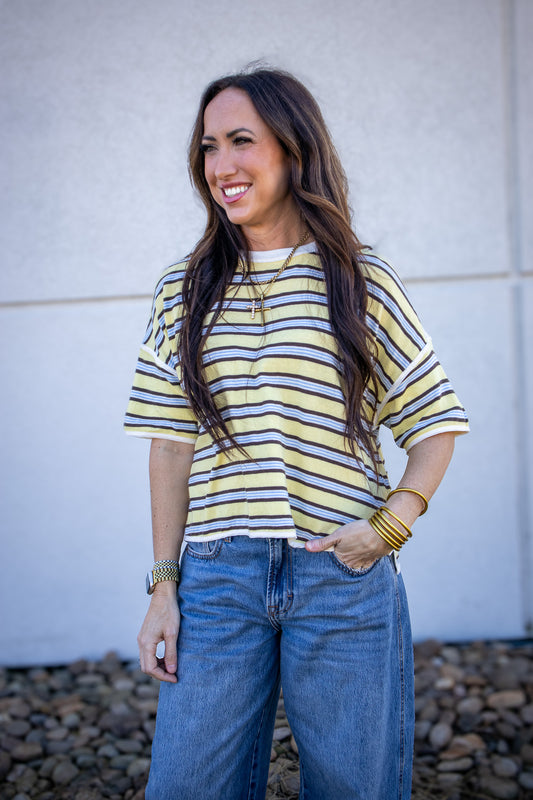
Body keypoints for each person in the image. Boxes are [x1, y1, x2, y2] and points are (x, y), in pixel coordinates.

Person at [124, 66, 469, 800]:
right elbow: (168, 443)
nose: (221, 166)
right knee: (187, 785)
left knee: (353, 786)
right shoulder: (182, 291)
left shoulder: (360, 279)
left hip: (339, 576)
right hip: (218, 574)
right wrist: (163, 586)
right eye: (209, 146)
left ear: (292, 148)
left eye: (241, 141)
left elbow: (434, 423)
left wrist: (391, 524)